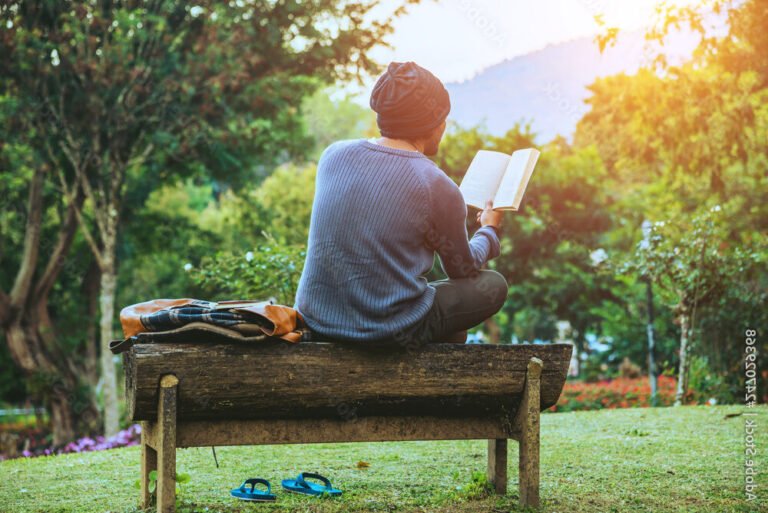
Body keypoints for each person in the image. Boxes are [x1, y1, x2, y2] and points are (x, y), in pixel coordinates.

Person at [293, 61, 508, 347]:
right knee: (493, 285)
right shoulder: (435, 184)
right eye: (442, 117)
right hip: (387, 330)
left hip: (318, 320)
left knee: (453, 331)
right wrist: (489, 232)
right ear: (432, 123)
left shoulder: (333, 156)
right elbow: (462, 269)